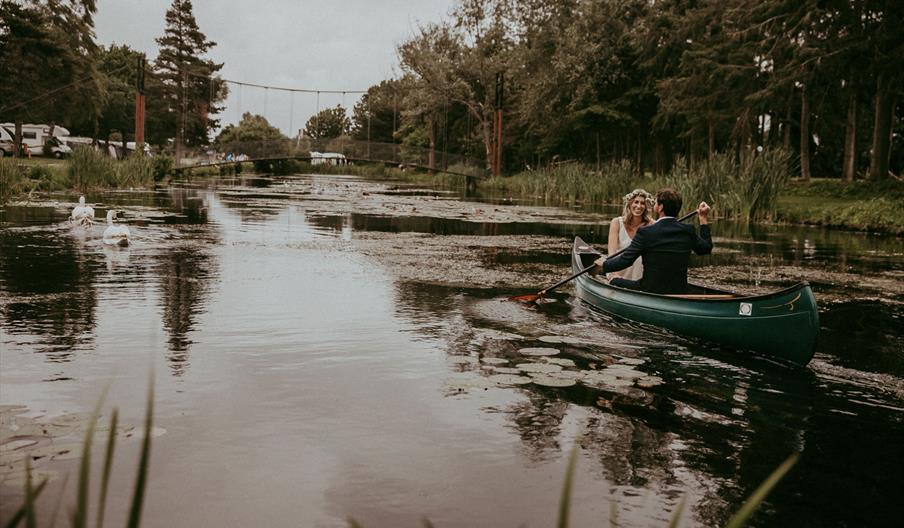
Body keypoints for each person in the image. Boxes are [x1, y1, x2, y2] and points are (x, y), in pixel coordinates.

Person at [595, 188, 712, 294]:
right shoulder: (688, 230)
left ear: (660, 207)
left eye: (656, 202)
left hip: (649, 289)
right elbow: (706, 248)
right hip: (679, 290)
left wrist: (604, 265)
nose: (653, 204)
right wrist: (703, 218)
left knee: (615, 281)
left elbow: (626, 260)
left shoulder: (646, 232)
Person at [606, 188, 654, 281]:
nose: (639, 206)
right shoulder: (617, 223)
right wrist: (615, 275)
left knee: (640, 258)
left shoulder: (652, 225)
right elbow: (611, 253)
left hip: (641, 275)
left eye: (642, 203)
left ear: (646, 207)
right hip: (618, 271)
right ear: (630, 203)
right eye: (636, 202)